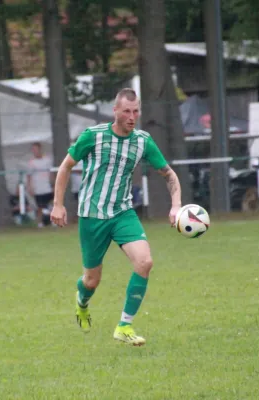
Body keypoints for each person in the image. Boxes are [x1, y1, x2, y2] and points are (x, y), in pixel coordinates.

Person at [50, 88, 182, 346]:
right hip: (92, 216)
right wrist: (58, 204)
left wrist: (176, 205)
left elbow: (169, 174)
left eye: (136, 111)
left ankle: (124, 325)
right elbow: (66, 166)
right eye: (127, 111)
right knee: (91, 280)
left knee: (144, 263)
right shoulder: (93, 136)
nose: (132, 117)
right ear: (115, 111)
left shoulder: (143, 141)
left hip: (123, 213)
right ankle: (82, 302)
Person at [27, 142, 54, 228]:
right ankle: (40, 223)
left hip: (47, 187)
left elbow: (51, 173)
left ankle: (54, 221)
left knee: (51, 204)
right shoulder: (31, 162)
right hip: (38, 187)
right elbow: (29, 176)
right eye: (33, 150)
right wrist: (30, 187)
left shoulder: (47, 160)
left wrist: (53, 185)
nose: (35, 151)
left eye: (36, 149)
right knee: (40, 207)